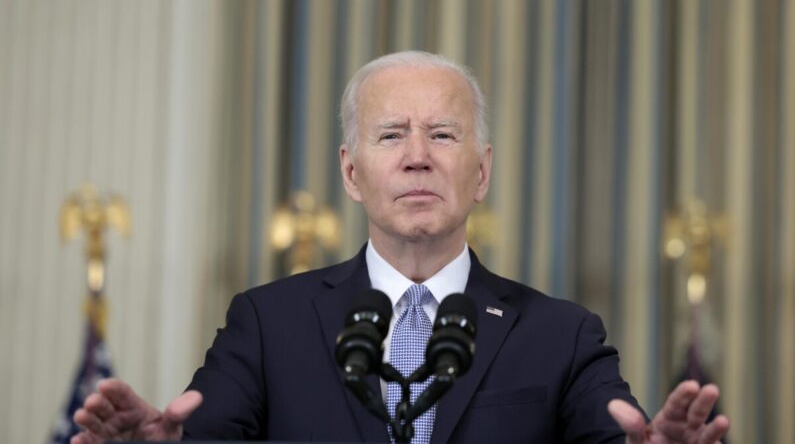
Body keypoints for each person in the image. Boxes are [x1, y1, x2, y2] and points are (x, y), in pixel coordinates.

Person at [71, 51, 730, 443]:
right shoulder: (268, 324)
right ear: (351, 173)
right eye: (390, 136)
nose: (417, 157)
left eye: (442, 135)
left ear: (482, 171)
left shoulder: (561, 335)